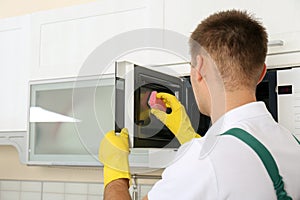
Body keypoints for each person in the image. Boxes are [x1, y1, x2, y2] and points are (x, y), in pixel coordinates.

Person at [98, 10, 300, 199]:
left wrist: (115, 173)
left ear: (199, 67)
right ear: (262, 73)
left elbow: (212, 167)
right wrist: (186, 135)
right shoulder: (291, 143)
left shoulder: (204, 162)